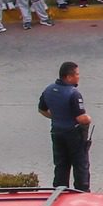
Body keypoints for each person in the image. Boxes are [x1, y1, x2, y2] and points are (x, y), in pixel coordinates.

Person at [38, 60, 93, 192]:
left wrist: (57, 117)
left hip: (57, 133)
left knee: (61, 165)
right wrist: (88, 118)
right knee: (80, 166)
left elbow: (42, 110)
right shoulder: (73, 93)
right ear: (69, 77)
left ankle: (59, 194)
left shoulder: (49, 90)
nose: (78, 77)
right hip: (74, 135)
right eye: (77, 74)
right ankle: (82, 194)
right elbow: (81, 118)